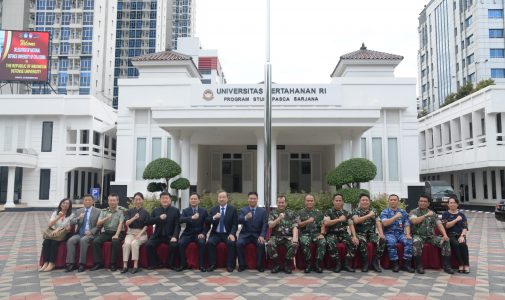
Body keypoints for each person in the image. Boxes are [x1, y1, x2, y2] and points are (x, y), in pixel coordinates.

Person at [409, 194, 454, 274]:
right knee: (416, 242)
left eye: (425, 201)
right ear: (418, 202)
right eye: (421, 201)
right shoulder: (413, 212)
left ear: (428, 203)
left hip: (430, 237)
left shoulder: (432, 213)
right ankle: (419, 266)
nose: (422, 203)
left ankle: (447, 266)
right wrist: (426, 215)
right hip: (418, 236)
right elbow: (414, 221)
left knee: (446, 241)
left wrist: (445, 235)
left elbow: (439, 224)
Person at [90, 194, 126, 271]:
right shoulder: (104, 211)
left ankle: (113, 264)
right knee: (96, 241)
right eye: (110, 200)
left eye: (114, 200)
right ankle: (98, 263)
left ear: (117, 201)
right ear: (108, 201)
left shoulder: (121, 211)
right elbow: (98, 223)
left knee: (115, 241)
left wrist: (116, 235)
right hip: (107, 232)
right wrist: (106, 218)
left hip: (118, 232)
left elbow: (121, 223)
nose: (112, 202)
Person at [65, 194, 101, 272]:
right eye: (86, 200)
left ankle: (82, 264)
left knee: (83, 240)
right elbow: (71, 222)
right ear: (83, 201)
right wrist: (78, 218)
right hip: (80, 233)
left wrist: (91, 231)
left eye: (89, 200)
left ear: (93, 201)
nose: (87, 201)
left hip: (91, 234)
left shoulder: (98, 211)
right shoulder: (79, 211)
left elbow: (99, 225)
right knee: (71, 240)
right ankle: (71, 263)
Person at [324, 193, 358, 273]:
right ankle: (337, 263)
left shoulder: (347, 213)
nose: (338, 202)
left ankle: (346, 264)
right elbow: (326, 223)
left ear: (343, 202)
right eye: (336, 200)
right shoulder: (328, 211)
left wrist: (354, 236)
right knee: (330, 242)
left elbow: (351, 224)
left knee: (354, 243)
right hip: (332, 233)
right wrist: (339, 220)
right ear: (333, 201)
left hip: (343, 233)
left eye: (340, 201)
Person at [146, 192, 180, 270]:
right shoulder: (156, 210)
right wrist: (159, 218)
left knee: (174, 245)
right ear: (160, 200)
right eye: (163, 198)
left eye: (166, 198)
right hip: (158, 235)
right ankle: (156, 263)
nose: (164, 200)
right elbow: (149, 222)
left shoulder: (175, 210)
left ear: (170, 199)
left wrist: (175, 236)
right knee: (148, 245)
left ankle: (170, 264)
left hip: (170, 236)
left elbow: (177, 225)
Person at [380, 194, 414, 273]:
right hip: (389, 233)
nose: (393, 201)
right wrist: (395, 217)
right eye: (391, 200)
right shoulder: (385, 212)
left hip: (401, 234)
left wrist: (408, 234)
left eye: (395, 200)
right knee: (391, 242)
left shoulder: (403, 212)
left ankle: (407, 264)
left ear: (398, 201)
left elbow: (407, 224)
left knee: (408, 240)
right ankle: (394, 264)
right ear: (388, 201)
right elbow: (385, 223)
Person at [352, 193, 385, 273]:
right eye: (363, 200)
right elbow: (356, 221)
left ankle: (375, 261)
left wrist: (381, 233)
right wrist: (369, 215)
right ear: (360, 201)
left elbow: (378, 222)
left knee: (382, 240)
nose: (365, 202)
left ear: (369, 201)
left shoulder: (373, 211)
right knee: (362, 241)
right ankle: (365, 262)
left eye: (366, 200)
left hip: (371, 233)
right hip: (360, 233)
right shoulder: (355, 211)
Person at [175, 192, 209, 272]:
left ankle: (201, 265)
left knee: (201, 243)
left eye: (195, 199)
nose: (193, 200)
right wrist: (191, 217)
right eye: (191, 199)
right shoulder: (185, 210)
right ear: (189, 200)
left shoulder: (203, 211)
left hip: (199, 233)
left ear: (198, 201)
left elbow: (207, 224)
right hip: (188, 234)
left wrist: (203, 233)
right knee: (180, 243)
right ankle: (183, 264)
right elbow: (180, 220)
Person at [206, 191, 238, 272]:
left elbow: (235, 224)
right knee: (210, 242)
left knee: (231, 243)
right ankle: (212, 264)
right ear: (217, 199)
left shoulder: (232, 209)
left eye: (223, 197)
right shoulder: (213, 209)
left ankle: (230, 265)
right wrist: (214, 217)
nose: (222, 199)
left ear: (227, 199)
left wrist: (232, 234)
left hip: (227, 234)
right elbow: (207, 221)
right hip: (216, 234)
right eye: (220, 197)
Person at [266, 195, 298, 274]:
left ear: (286, 203)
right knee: (269, 244)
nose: (281, 204)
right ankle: (277, 264)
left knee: (294, 245)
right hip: (276, 236)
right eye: (279, 202)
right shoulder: (272, 213)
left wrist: (294, 238)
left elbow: (295, 227)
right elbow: (270, 225)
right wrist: (279, 218)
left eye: (282, 202)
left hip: (288, 237)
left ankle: (287, 264)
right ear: (277, 203)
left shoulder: (291, 213)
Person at [40, 198, 74, 272]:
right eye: (63, 203)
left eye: (67, 203)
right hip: (54, 233)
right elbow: (49, 224)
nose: (64, 204)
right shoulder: (55, 213)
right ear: (60, 204)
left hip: (64, 234)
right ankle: (46, 263)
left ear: (69, 206)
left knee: (54, 243)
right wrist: (58, 217)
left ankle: (52, 263)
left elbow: (68, 228)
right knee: (46, 242)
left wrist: (58, 229)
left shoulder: (71, 215)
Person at [237, 192, 268, 272]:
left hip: (257, 234)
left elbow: (265, 225)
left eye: (254, 198)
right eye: (250, 198)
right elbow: (238, 221)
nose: (252, 200)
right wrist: (245, 217)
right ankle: (242, 265)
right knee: (239, 243)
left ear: (257, 200)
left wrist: (262, 236)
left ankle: (259, 265)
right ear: (248, 199)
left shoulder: (263, 211)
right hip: (245, 234)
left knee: (261, 244)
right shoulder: (243, 210)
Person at [121, 192, 150, 274]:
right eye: (136, 199)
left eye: (139, 199)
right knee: (127, 244)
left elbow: (146, 226)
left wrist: (139, 235)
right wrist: (134, 218)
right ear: (133, 201)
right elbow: (127, 223)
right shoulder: (129, 211)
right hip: (130, 233)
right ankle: (125, 265)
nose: (137, 201)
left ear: (142, 200)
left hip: (142, 234)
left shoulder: (145, 212)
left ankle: (135, 265)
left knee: (134, 243)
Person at [297, 194, 326, 273]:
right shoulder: (300, 212)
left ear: (314, 202)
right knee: (303, 241)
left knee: (323, 242)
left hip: (316, 234)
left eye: (311, 201)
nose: (310, 202)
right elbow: (298, 225)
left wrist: (322, 234)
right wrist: (307, 221)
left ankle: (317, 263)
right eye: (308, 201)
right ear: (305, 202)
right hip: (305, 234)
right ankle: (308, 263)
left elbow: (322, 225)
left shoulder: (319, 213)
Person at [442, 196, 469, 273]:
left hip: (460, 234)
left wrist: (462, 236)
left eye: (454, 203)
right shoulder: (445, 214)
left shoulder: (462, 215)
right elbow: (446, 225)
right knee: (456, 244)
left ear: (457, 204)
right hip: (450, 235)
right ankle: (460, 264)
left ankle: (466, 265)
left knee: (463, 244)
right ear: (448, 204)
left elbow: (465, 227)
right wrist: (456, 220)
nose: (453, 204)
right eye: (451, 203)